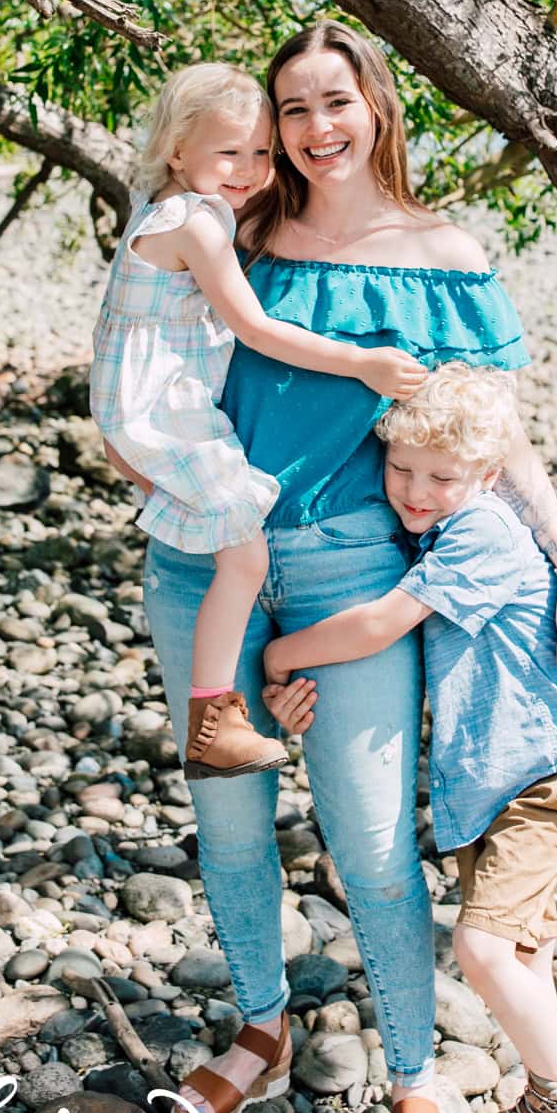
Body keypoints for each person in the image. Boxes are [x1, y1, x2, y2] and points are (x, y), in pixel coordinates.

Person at [135, 21, 557, 1113]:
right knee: (228, 819)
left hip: (352, 573)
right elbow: (145, 354)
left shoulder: (444, 254)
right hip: (205, 553)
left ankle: (413, 1077)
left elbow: (499, 433)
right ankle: (260, 1026)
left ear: (377, 106)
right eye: (293, 108)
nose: (313, 129)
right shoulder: (232, 227)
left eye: (333, 101)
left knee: (376, 841)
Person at [262, 361, 557, 1113]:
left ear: (487, 477)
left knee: (482, 950)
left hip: (536, 771)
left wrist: (279, 655)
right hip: (489, 781)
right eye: (401, 469)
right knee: (524, 951)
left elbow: (383, 623)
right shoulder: (441, 525)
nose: (415, 491)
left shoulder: (484, 529)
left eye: (441, 477)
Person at [90, 61, 427, 780]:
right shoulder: (192, 222)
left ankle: (219, 714)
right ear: (177, 152)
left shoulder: (175, 208)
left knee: (234, 553)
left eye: (260, 153)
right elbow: (252, 327)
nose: (247, 170)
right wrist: (361, 364)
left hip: (151, 403)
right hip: (161, 411)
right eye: (227, 153)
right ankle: (215, 719)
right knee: (243, 555)